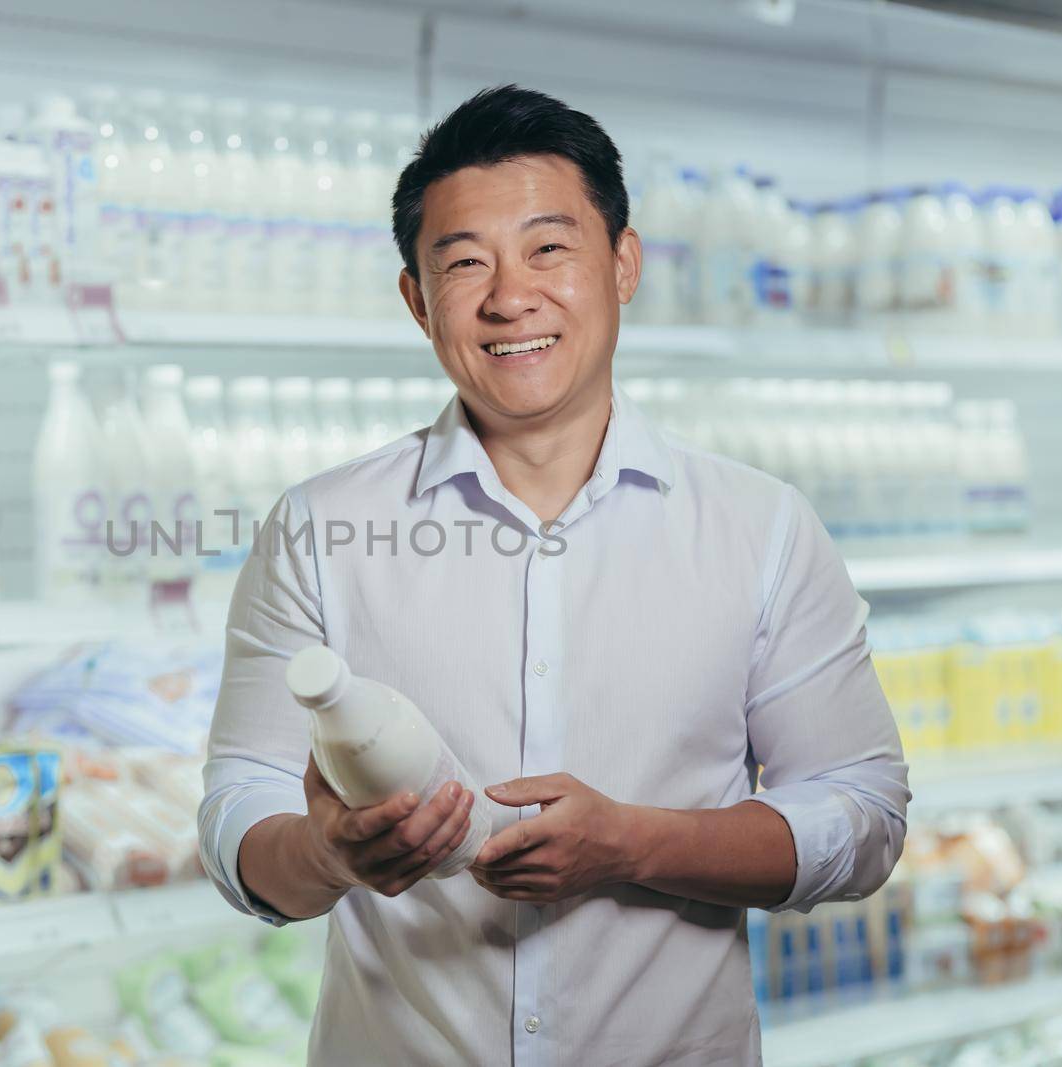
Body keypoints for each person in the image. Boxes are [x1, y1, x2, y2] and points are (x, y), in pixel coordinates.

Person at [197, 84, 909, 1066]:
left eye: (547, 247)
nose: (508, 295)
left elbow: (862, 814)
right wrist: (326, 854)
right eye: (462, 262)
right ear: (416, 300)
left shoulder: (761, 528)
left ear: (622, 263)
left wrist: (635, 843)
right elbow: (240, 812)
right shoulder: (321, 526)